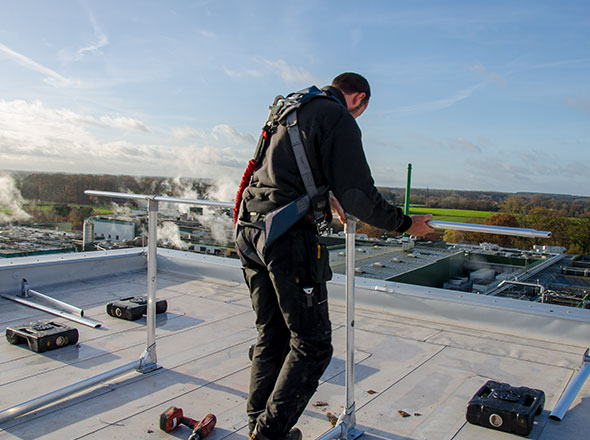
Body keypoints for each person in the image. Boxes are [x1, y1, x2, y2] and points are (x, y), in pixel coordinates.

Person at [235, 72, 433, 440]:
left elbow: (287, 172)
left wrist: (324, 195)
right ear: (358, 98)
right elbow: (359, 195)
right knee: (313, 344)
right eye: (361, 112)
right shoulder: (336, 116)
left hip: (251, 231)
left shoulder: (290, 108)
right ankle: (267, 435)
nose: (357, 118)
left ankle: (258, 427)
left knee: (272, 335)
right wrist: (406, 225)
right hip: (286, 238)